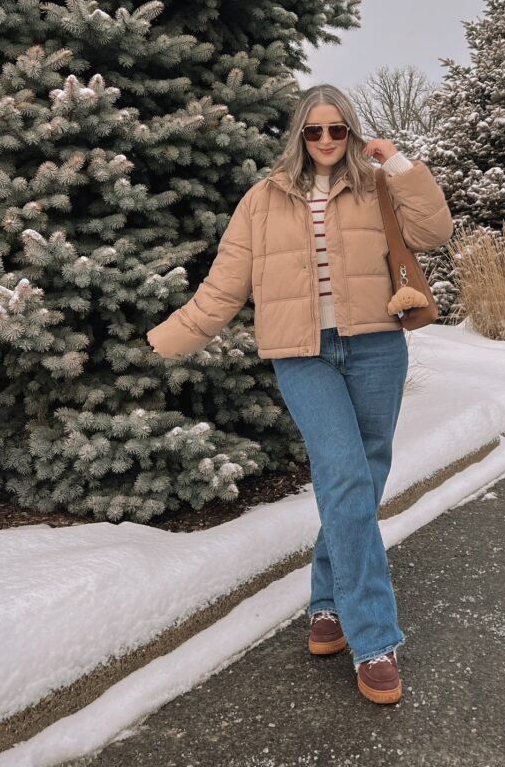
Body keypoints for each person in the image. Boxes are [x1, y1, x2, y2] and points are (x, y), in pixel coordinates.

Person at [147, 83, 453, 704]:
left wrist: (397, 163)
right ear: (298, 135)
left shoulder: (377, 185)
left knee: (361, 480)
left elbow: (435, 230)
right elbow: (224, 285)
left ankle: (325, 605)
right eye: (313, 131)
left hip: (376, 347)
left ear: (350, 131)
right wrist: (167, 340)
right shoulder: (262, 200)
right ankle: (375, 638)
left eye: (336, 129)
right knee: (343, 477)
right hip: (301, 355)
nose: (325, 141)